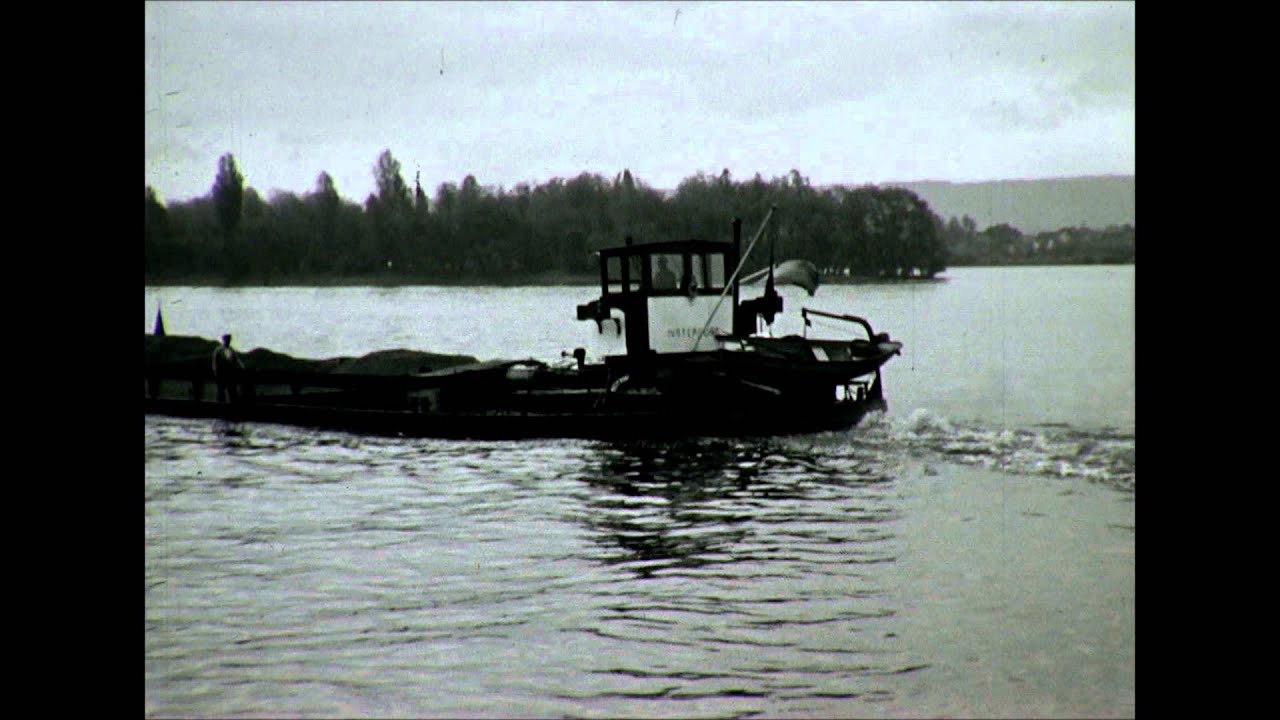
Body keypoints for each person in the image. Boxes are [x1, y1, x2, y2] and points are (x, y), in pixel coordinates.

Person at [212, 333, 245, 403]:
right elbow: (215, 362)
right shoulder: (218, 350)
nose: (228, 340)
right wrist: (215, 371)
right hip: (221, 373)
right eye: (227, 339)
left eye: (229, 339)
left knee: (232, 390)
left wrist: (241, 367)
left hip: (230, 373)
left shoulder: (231, 350)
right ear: (224, 340)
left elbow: (236, 360)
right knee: (221, 390)